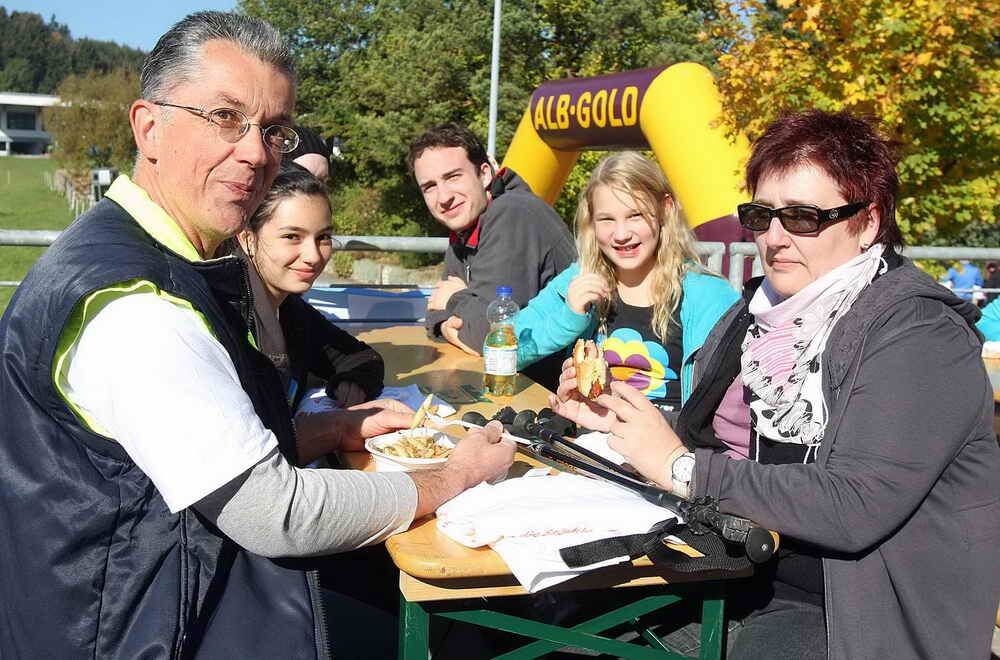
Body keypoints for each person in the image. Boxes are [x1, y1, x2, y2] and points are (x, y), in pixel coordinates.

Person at [0, 12, 514, 658]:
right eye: (224, 117)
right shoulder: (137, 305)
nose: (255, 151)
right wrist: (452, 477)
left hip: (147, 597)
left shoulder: (155, 261)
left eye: (274, 130)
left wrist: (335, 430)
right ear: (148, 125)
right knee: (451, 639)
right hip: (147, 628)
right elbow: (278, 514)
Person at [550, 110, 1000, 658]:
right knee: (560, 629)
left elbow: (854, 505)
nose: (776, 239)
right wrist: (618, 418)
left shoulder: (919, 333)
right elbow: (712, 441)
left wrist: (680, 469)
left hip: (850, 602)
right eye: (763, 216)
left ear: (870, 220)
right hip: (742, 563)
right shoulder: (760, 311)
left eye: (805, 217)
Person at [514, 151, 738, 412]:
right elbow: (502, 351)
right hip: (589, 440)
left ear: (665, 209)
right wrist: (568, 319)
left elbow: (731, 410)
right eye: (607, 219)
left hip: (671, 446)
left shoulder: (710, 295)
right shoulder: (578, 280)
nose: (621, 234)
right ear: (591, 222)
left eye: (635, 216)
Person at [409, 124, 576, 385]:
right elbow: (433, 313)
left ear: (484, 174)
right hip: (517, 383)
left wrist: (453, 299)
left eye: (453, 177)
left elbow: (487, 337)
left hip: (559, 393)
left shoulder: (512, 214)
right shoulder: (465, 227)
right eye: (429, 187)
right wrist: (445, 321)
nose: (443, 197)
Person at [224, 163, 382, 410]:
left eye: (323, 237)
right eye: (292, 237)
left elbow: (360, 358)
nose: (313, 256)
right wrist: (332, 432)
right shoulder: (227, 316)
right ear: (247, 238)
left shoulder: (290, 310)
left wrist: (352, 384)